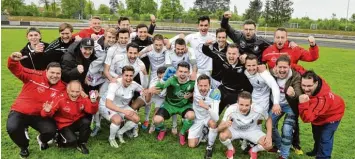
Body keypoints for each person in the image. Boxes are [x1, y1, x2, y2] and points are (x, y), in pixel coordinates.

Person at [263, 27, 319, 154]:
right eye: (278, 37)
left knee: (291, 125)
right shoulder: (267, 51)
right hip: (276, 96)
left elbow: (311, 57)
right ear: (274, 38)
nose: (280, 39)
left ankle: (295, 145)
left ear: (287, 38)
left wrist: (313, 45)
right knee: (271, 123)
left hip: (292, 90)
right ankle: (280, 145)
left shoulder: (294, 49)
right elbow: (262, 67)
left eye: (283, 37)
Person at [6, 52, 66, 158]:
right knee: (12, 128)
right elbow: (17, 69)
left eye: (58, 73)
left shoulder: (61, 87)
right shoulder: (34, 75)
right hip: (20, 111)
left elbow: (71, 91)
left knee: (50, 131)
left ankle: (41, 139)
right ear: (46, 71)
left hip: (39, 115)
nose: (55, 76)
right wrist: (13, 60)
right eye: (52, 72)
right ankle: (24, 147)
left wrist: (48, 111)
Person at [40, 80, 99, 154]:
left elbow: (92, 111)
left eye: (77, 91)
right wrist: (47, 111)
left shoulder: (83, 98)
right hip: (64, 125)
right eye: (72, 91)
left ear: (81, 91)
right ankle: (58, 137)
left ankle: (82, 143)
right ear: (67, 90)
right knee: (71, 141)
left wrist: (93, 102)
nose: (74, 94)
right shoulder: (60, 98)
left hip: (76, 121)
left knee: (86, 121)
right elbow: (44, 114)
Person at [298, 70, 345, 158]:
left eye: (309, 86)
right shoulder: (317, 80)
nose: (306, 89)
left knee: (325, 139)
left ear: (316, 83)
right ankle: (316, 150)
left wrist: (303, 104)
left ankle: (323, 156)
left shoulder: (321, 100)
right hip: (320, 114)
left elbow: (307, 118)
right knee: (317, 134)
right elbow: (300, 69)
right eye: (303, 85)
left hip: (333, 115)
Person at [103, 66, 149, 148]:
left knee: (136, 119)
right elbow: (108, 104)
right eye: (126, 75)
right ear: (122, 75)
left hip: (122, 106)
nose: (129, 78)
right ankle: (111, 138)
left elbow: (144, 91)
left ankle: (120, 133)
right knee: (118, 120)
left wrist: (148, 92)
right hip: (106, 106)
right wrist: (124, 112)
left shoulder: (134, 84)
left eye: (131, 76)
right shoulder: (114, 84)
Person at [151, 62, 196, 145]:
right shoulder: (171, 79)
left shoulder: (192, 81)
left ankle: (182, 133)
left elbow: (201, 91)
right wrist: (164, 79)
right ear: (176, 72)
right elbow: (159, 88)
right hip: (169, 105)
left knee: (191, 116)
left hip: (184, 106)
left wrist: (191, 94)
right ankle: (163, 129)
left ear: (189, 72)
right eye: (180, 71)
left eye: (185, 72)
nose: (182, 74)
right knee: (156, 120)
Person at [202, 41, 253, 114]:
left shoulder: (244, 63)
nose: (231, 56)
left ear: (239, 54)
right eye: (229, 53)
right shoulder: (222, 58)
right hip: (222, 90)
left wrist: (246, 55)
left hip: (237, 93)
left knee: (235, 117)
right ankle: (210, 124)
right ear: (226, 53)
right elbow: (206, 51)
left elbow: (255, 59)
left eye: (234, 54)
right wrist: (205, 44)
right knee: (212, 112)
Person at [218, 91, 273, 159]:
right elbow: (219, 128)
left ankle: (253, 151)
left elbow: (268, 119)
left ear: (251, 103)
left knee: (269, 145)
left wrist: (269, 135)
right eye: (241, 104)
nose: (244, 108)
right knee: (222, 135)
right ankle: (231, 149)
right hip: (235, 130)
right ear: (237, 102)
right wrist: (224, 125)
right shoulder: (231, 109)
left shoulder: (258, 109)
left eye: (247, 105)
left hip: (252, 131)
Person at [270, 55, 302, 159]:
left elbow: (298, 91)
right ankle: (280, 145)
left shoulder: (295, 76)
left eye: (285, 67)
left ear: (289, 67)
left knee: (287, 129)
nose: (282, 70)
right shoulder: (272, 74)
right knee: (270, 125)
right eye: (280, 67)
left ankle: (284, 155)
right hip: (277, 105)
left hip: (290, 106)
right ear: (276, 67)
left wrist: (293, 94)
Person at [138, 34, 170, 129]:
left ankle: (156, 119)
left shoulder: (166, 49)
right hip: (153, 76)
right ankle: (147, 119)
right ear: (153, 43)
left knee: (161, 96)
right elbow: (137, 56)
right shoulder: (149, 49)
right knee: (149, 96)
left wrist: (168, 43)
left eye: (160, 45)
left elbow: (180, 36)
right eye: (156, 45)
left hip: (164, 76)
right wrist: (144, 53)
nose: (158, 47)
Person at [187, 74, 220, 159]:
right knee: (192, 145)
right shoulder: (195, 90)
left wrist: (206, 106)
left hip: (208, 118)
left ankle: (209, 146)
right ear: (197, 85)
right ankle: (204, 131)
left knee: (213, 124)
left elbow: (216, 118)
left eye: (206, 85)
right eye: (200, 85)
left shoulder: (215, 93)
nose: (203, 88)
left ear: (209, 85)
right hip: (197, 120)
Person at [147, 66, 168, 133]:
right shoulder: (154, 80)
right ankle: (146, 119)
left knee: (157, 110)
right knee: (147, 103)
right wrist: (153, 90)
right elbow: (152, 89)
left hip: (162, 98)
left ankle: (153, 125)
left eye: (163, 77)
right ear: (157, 75)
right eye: (159, 77)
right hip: (153, 96)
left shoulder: (169, 80)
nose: (161, 79)